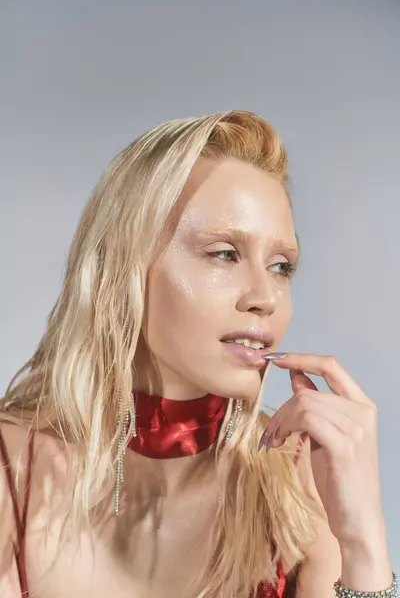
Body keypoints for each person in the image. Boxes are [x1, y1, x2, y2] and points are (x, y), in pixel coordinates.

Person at [0, 110, 396, 598]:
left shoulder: (294, 481)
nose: (266, 297)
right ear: (125, 267)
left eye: (280, 266)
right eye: (225, 254)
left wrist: (363, 543)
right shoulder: (12, 469)